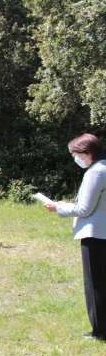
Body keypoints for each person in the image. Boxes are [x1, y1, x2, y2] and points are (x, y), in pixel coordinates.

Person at [46, 134, 106, 341]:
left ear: (86, 152)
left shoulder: (95, 172)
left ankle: (100, 331)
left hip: (95, 235)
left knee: (95, 283)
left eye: (74, 154)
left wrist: (58, 208)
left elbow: (84, 209)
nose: (74, 158)